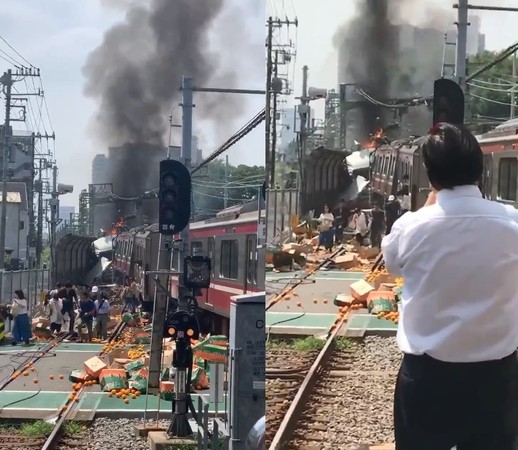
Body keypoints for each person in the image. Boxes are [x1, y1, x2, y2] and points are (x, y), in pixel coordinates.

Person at [382, 122, 518, 450]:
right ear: (479, 169)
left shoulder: (410, 227)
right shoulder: (512, 223)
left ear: (430, 175)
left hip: (428, 379)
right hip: (497, 380)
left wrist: (430, 204)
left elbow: (392, 266)